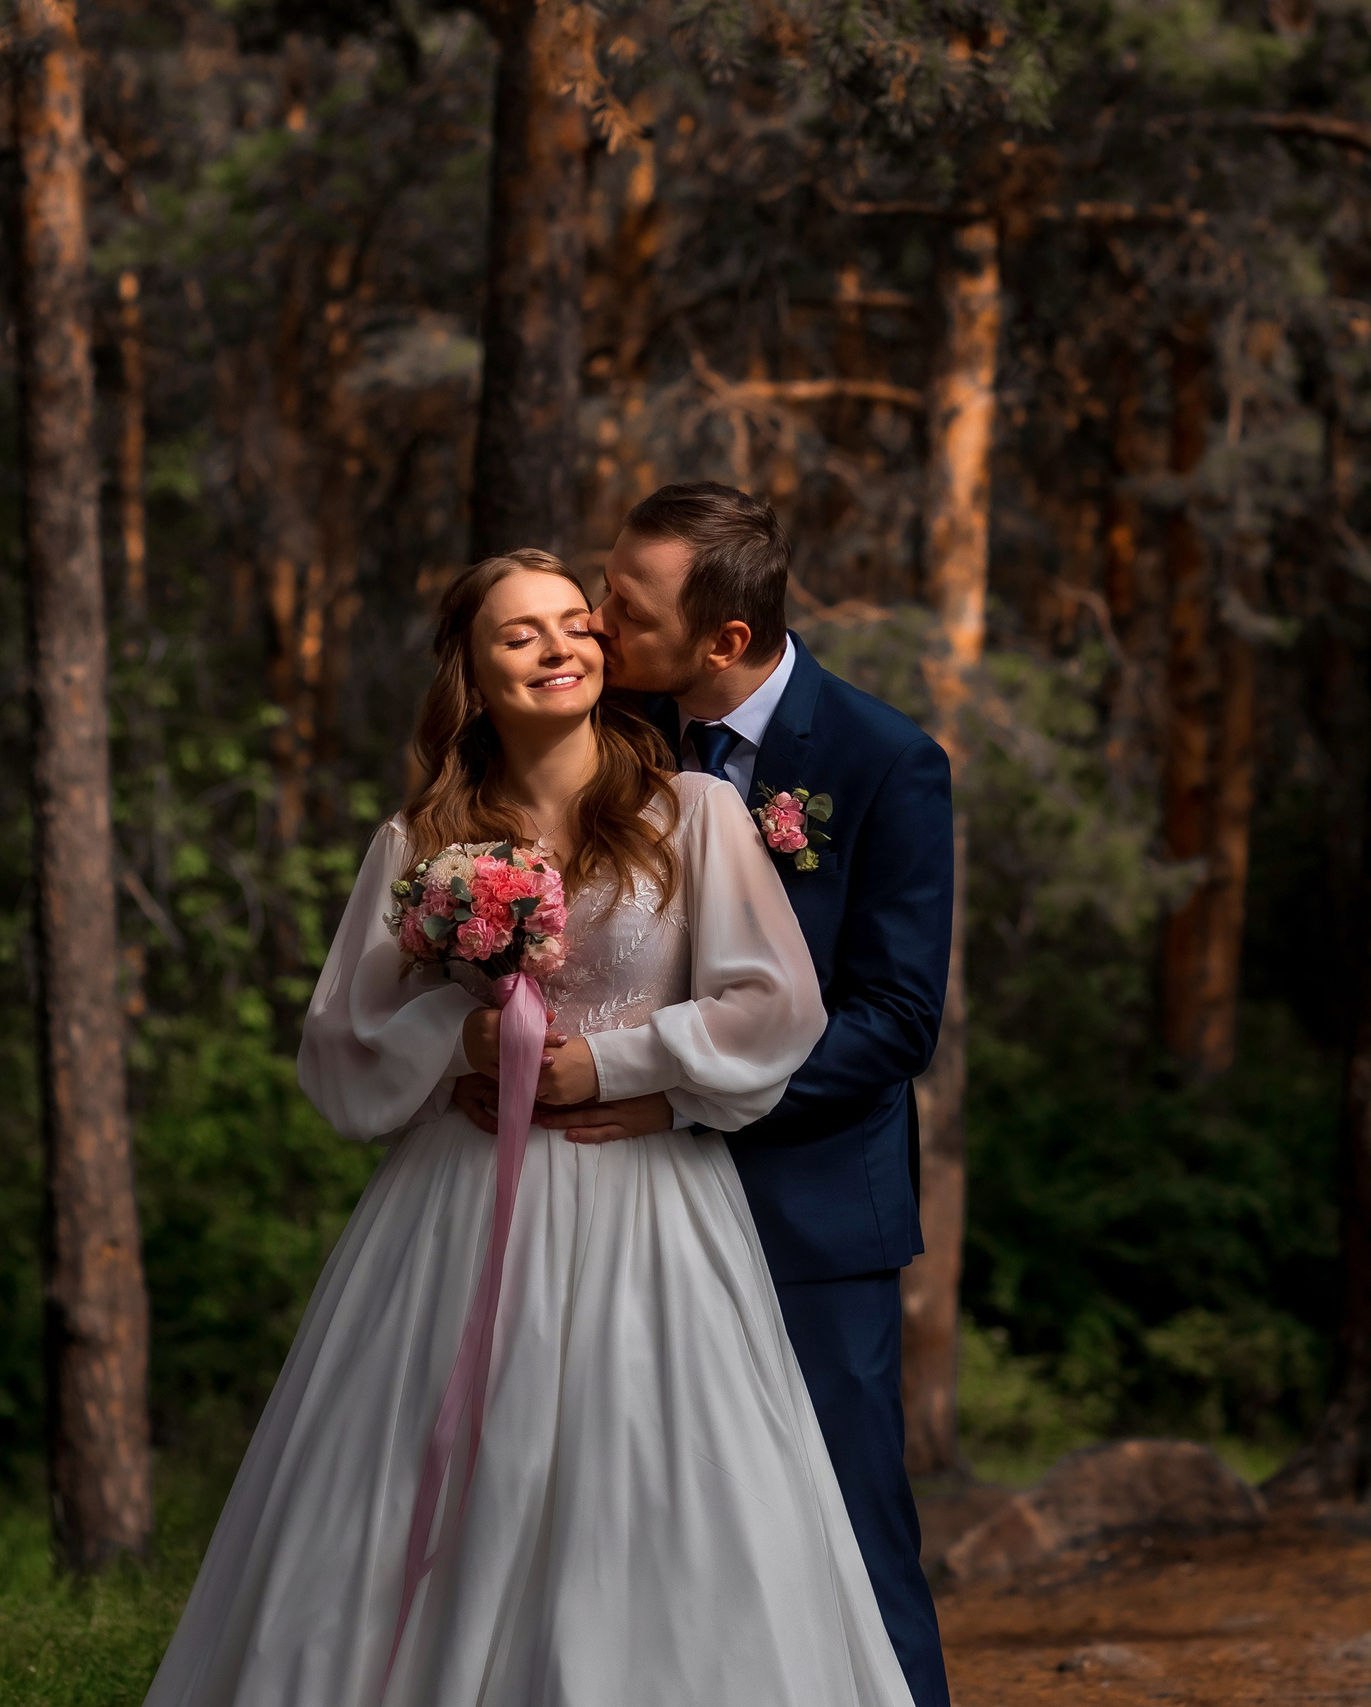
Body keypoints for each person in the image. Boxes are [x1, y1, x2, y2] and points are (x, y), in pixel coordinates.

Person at [143, 549, 915, 1707]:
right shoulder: (420, 843)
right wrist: (455, 1045)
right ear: (471, 672)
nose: (561, 647)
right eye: (521, 634)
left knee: (653, 1489)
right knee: (425, 1481)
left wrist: (610, 1061)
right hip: (456, 1204)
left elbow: (776, 1007)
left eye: (576, 625)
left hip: (644, 1196)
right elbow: (338, 1040)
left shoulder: (690, 813)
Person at [454, 482, 956, 1707]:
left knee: (845, 1531)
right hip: (614, 1215)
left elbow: (892, 1022)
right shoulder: (610, 737)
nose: (595, 620)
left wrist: (685, 1098)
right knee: (639, 1531)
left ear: (723, 640)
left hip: (805, 1213)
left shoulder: (884, 763)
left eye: (626, 604)